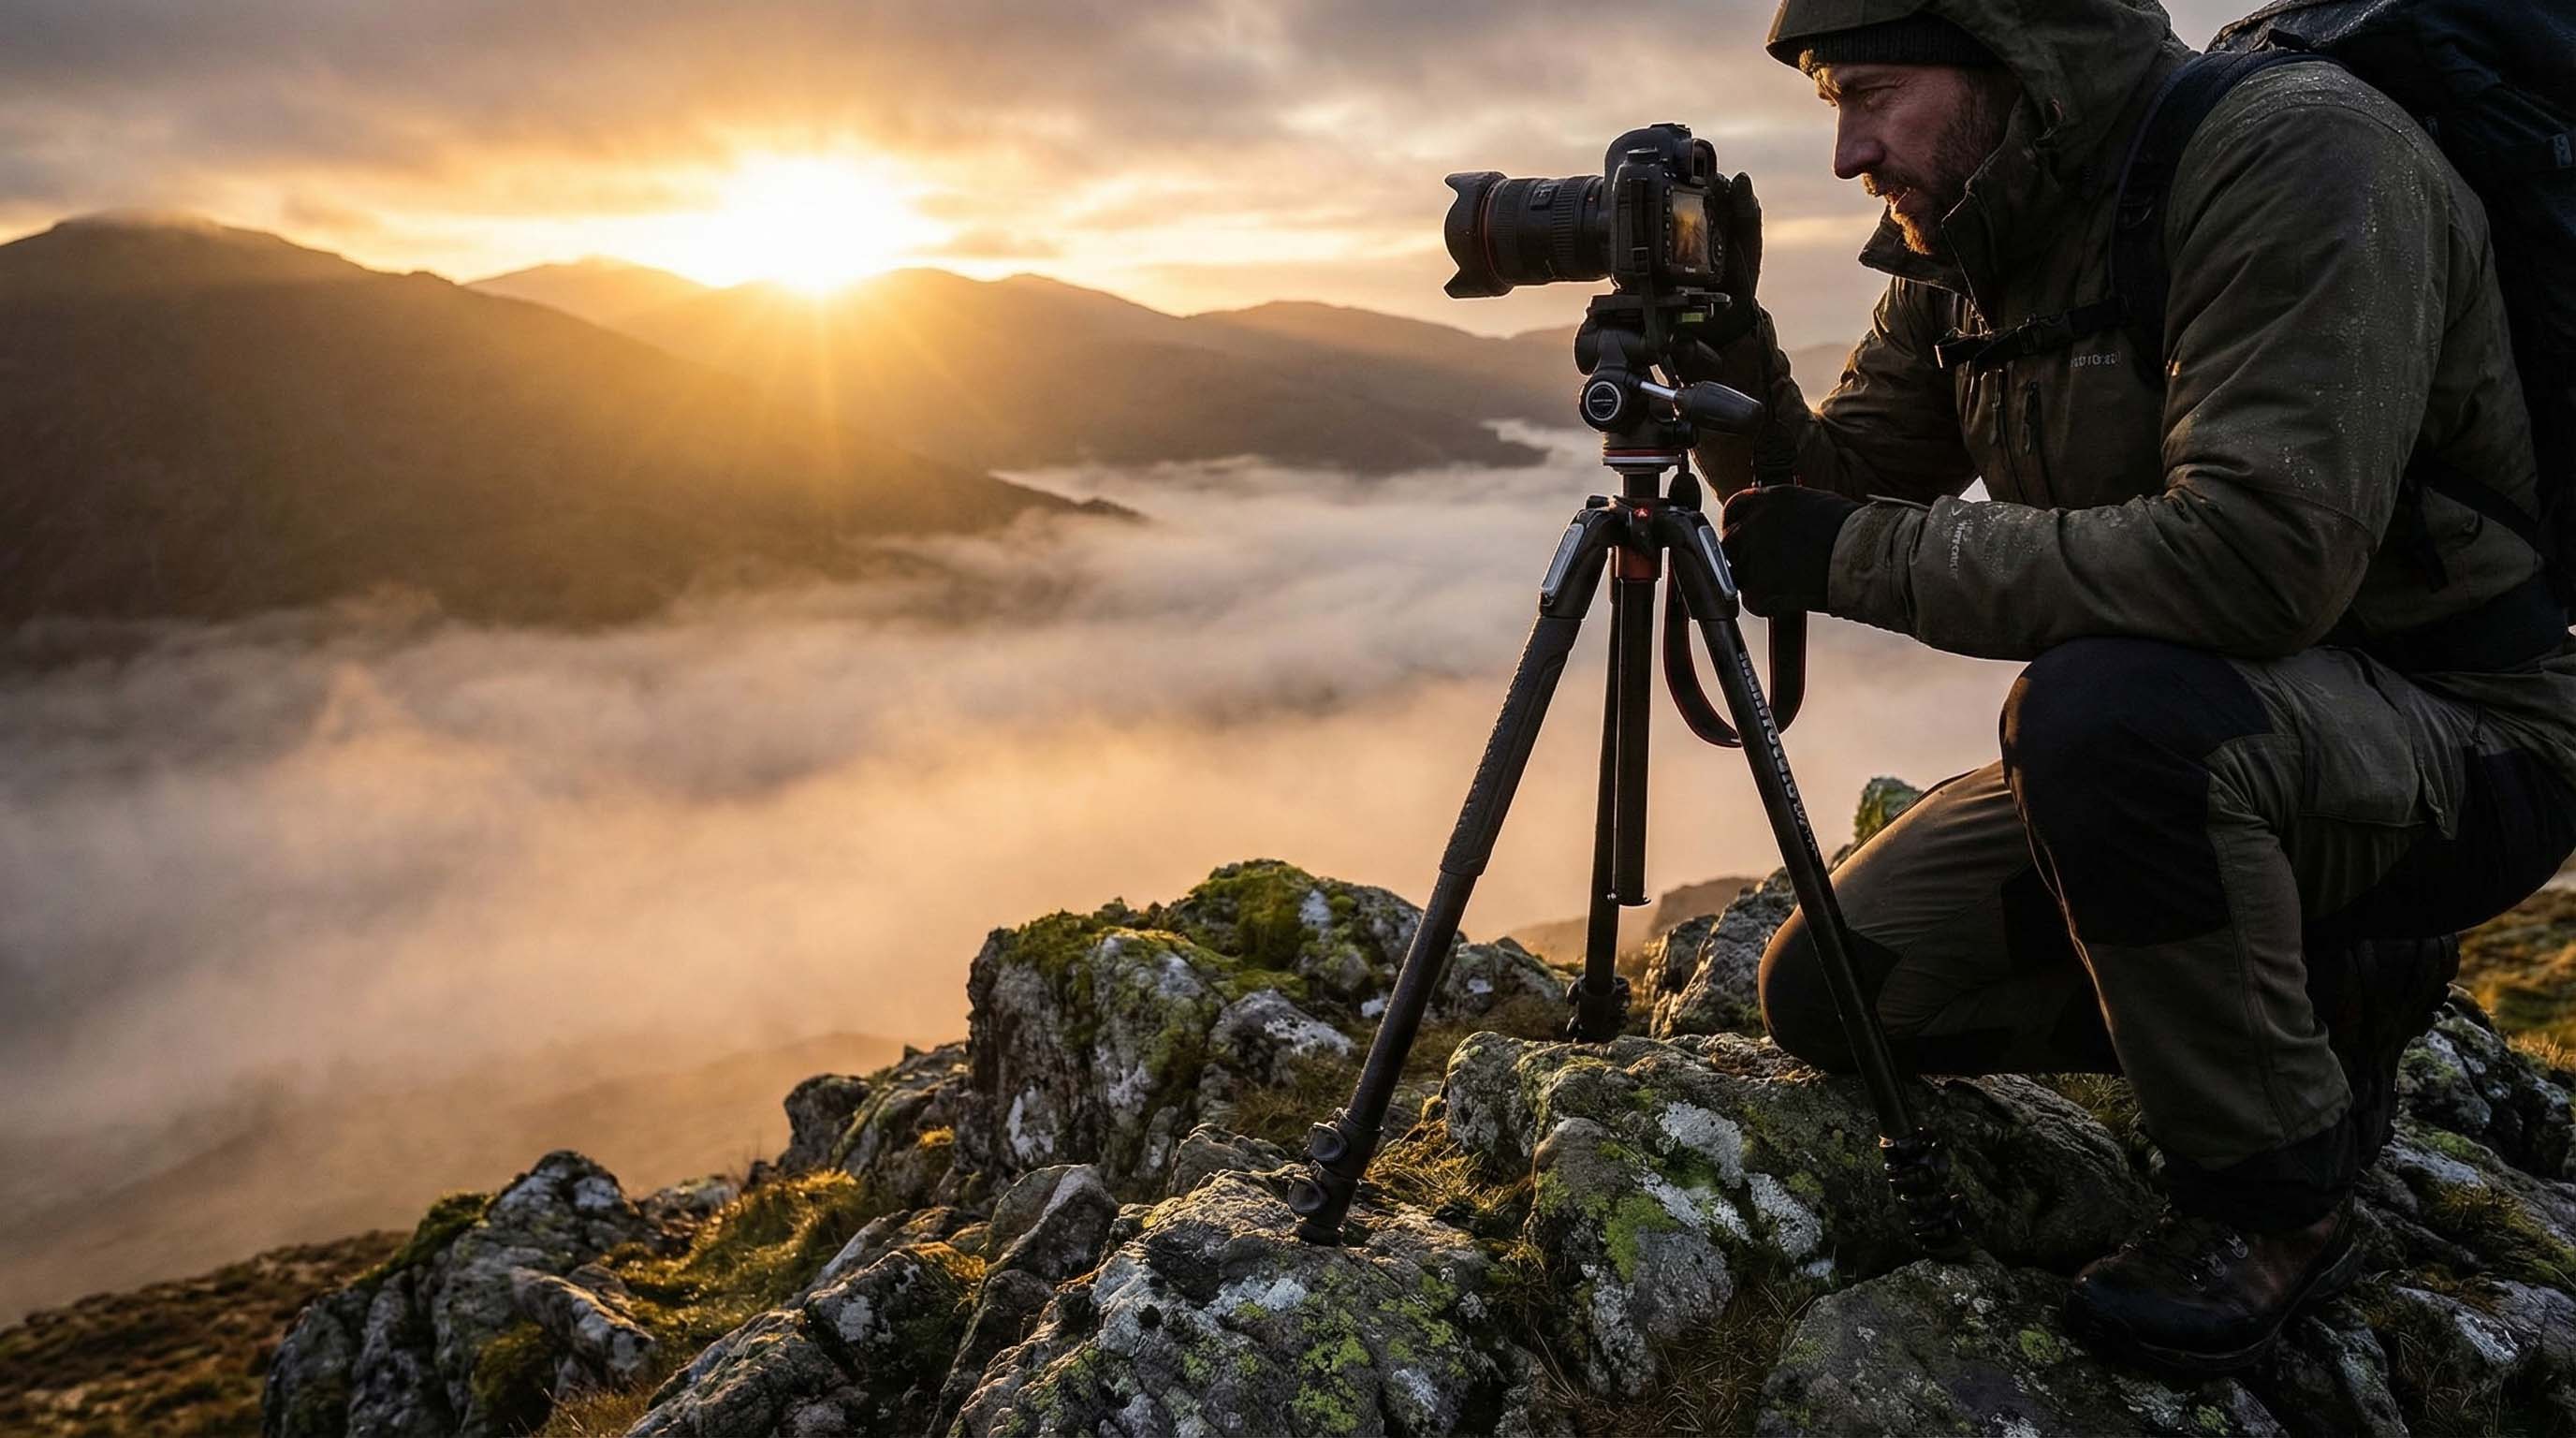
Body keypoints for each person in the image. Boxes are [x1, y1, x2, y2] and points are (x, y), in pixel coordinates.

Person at [1690, 0, 2576, 1376]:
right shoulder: (1975, 229)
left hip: (2467, 732)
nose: (1849, 152)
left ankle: (2275, 1199)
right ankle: (2314, 985)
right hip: (2237, 727)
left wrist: (1858, 555)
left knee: (2098, 718)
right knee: (1839, 993)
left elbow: (2258, 560)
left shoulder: (2300, 157)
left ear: (2012, 58)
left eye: (1871, 93)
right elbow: (1841, 490)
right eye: (1831, 105)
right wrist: (1720, 360)